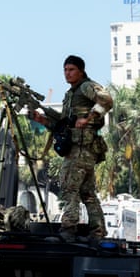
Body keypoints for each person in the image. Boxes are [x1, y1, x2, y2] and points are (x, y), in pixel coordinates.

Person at [32, 55, 113, 242]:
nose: (67, 73)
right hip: (78, 149)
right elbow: (64, 124)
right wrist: (42, 120)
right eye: (65, 70)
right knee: (87, 194)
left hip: (81, 150)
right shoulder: (71, 94)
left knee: (69, 189)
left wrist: (89, 118)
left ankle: (68, 230)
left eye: (71, 70)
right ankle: (98, 232)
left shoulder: (86, 87)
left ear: (81, 71)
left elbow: (107, 101)